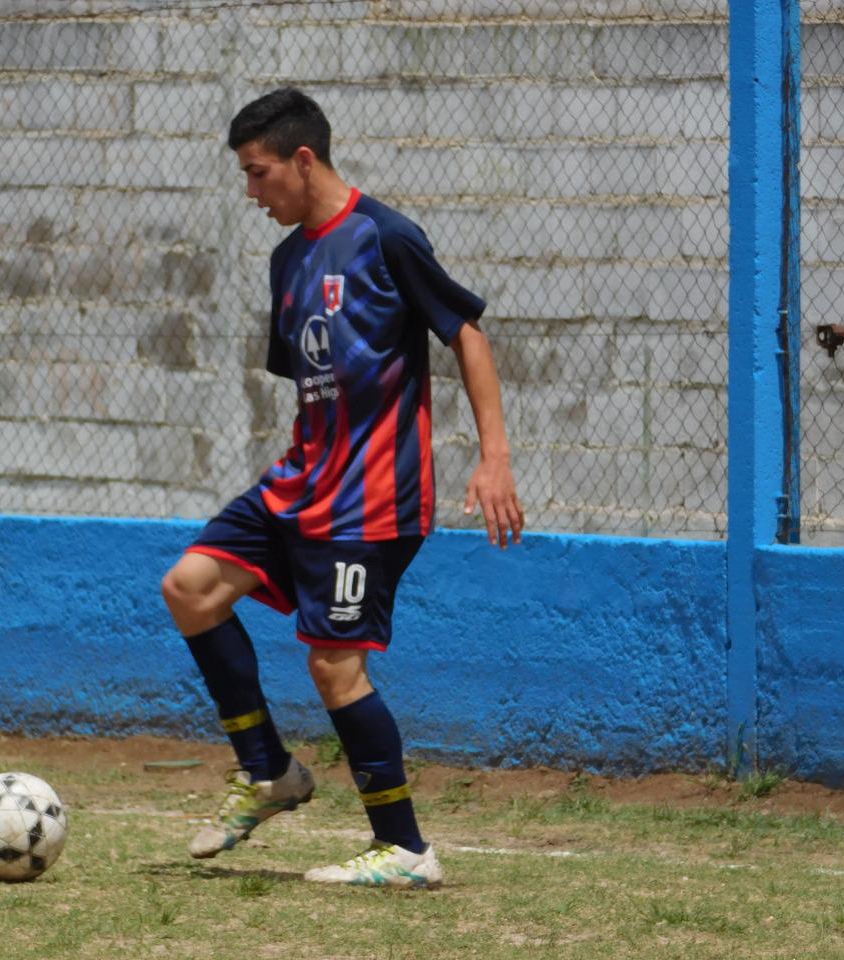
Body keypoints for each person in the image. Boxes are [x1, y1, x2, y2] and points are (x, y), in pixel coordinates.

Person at [161, 88, 524, 888]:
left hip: (372, 498)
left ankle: (404, 849)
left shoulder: (386, 237)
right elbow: (313, 381)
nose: (250, 191)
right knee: (190, 588)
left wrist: (493, 457)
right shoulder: (287, 261)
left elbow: (466, 334)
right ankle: (268, 771)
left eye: (258, 173)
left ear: (303, 159)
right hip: (302, 483)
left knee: (334, 667)